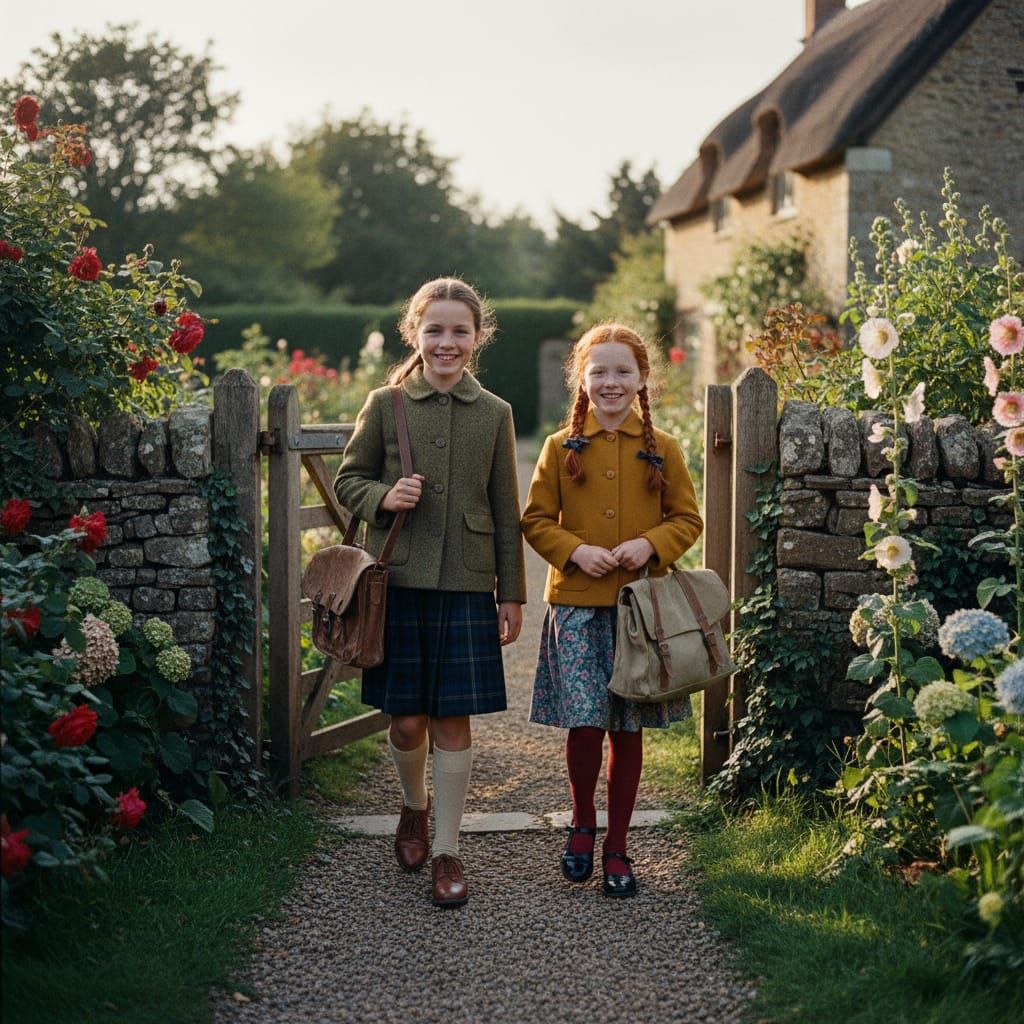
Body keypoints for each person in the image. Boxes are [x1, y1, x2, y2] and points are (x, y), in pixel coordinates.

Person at [334, 277, 525, 908]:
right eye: (435, 329)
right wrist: (382, 498)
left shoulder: (496, 413)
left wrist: (512, 593)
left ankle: (448, 849)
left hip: (468, 585)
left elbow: (505, 506)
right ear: (414, 332)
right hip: (399, 585)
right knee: (407, 719)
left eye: (460, 331)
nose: (447, 342)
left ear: (478, 337)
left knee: (451, 719)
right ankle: (413, 808)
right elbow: (348, 480)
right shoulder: (386, 403)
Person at [521, 322, 703, 897]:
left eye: (623, 370)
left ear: (643, 379)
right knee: (585, 722)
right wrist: (576, 550)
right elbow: (534, 520)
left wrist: (651, 544)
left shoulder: (664, 448)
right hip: (576, 605)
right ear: (581, 378)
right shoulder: (558, 447)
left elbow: (687, 520)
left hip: (639, 612)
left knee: (627, 730)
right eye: (598, 371)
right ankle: (581, 825)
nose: (611, 381)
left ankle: (618, 846)